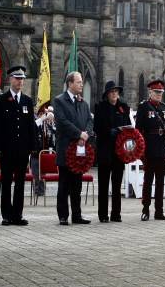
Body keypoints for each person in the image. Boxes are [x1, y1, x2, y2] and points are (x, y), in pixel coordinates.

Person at [0, 66, 36, 226]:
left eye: (22, 79)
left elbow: (30, 126)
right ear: (10, 79)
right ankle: (6, 215)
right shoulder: (1, 100)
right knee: (6, 183)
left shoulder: (27, 101)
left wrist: (32, 147)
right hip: (6, 150)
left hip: (22, 150)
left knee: (20, 183)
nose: (20, 81)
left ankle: (17, 215)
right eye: (17, 78)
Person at [53, 72, 93, 225]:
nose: (81, 85)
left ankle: (77, 215)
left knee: (77, 184)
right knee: (64, 184)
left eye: (82, 82)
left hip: (80, 149)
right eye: (78, 82)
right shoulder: (59, 101)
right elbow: (62, 122)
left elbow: (89, 120)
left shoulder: (83, 102)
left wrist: (86, 134)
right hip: (66, 148)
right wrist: (79, 134)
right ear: (70, 83)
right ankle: (63, 215)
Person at [135, 79, 165, 221]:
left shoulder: (164, 107)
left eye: (161, 92)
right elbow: (138, 130)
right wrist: (141, 150)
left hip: (161, 148)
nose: (159, 95)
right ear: (150, 92)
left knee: (160, 181)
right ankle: (145, 209)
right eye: (156, 92)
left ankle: (159, 210)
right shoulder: (144, 107)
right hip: (149, 148)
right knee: (148, 180)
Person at [94, 80, 130, 223]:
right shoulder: (100, 107)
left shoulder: (123, 107)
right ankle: (103, 214)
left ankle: (116, 214)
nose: (115, 94)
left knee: (117, 184)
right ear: (107, 94)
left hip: (119, 151)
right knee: (103, 184)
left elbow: (128, 124)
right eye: (112, 92)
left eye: (116, 92)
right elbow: (97, 128)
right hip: (105, 149)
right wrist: (112, 131)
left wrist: (124, 131)